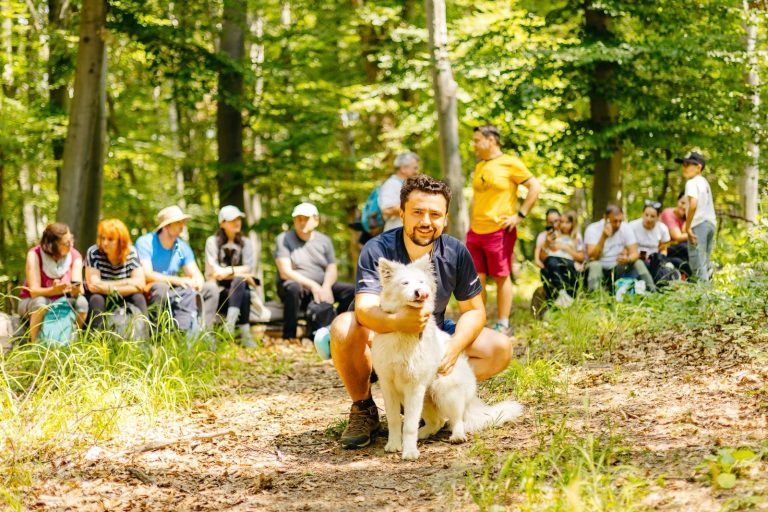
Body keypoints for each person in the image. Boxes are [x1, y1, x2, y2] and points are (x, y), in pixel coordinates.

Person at [328, 175, 513, 450]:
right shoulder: (377, 249)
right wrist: (397, 322)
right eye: (417, 212)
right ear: (402, 213)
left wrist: (453, 349)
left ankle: (430, 396)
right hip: (381, 335)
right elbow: (365, 310)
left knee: (499, 348)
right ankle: (363, 408)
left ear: (445, 218)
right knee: (343, 326)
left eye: (435, 214)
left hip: (431, 335)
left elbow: (475, 311)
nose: (426, 221)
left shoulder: (455, 251)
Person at [467, 124, 541, 335]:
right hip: (475, 231)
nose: (474, 145)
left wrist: (520, 215)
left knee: (501, 276)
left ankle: (503, 323)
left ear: (491, 141)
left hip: (499, 231)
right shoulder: (480, 166)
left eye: (477, 140)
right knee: (476, 278)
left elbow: (534, 186)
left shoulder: (510, 162)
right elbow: (477, 199)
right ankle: (478, 323)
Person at [274, 202, 355, 340]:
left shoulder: (324, 240)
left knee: (353, 291)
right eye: (298, 218)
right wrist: (313, 286)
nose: (302, 222)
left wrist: (326, 287)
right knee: (293, 288)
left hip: (322, 285)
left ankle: (338, 326)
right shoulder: (283, 239)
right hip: (295, 285)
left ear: (316, 220)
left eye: (306, 218)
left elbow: (332, 268)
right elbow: (284, 272)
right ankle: (289, 337)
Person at [136, 206, 216, 333]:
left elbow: (196, 274)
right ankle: (156, 336)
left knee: (211, 288)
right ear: (166, 226)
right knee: (160, 287)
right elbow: (147, 274)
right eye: (178, 222)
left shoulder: (181, 247)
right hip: (154, 289)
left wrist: (197, 283)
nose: (182, 226)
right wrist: (177, 280)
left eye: (183, 222)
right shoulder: (146, 242)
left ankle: (204, 333)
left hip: (177, 290)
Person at [18, 223, 88, 342]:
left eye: (71, 239)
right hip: (33, 302)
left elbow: (79, 288)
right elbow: (34, 292)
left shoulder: (75, 255)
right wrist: (54, 290)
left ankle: (73, 339)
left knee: (82, 303)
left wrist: (74, 290)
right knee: (41, 302)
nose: (71, 244)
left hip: (64, 301)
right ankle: (34, 344)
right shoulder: (34, 254)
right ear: (53, 245)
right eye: (66, 242)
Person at [202, 205, 257, 347]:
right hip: (218, 292)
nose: (237, 222)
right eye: (232, 219)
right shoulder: (212, 242)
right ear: (222, 223)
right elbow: (214, 272)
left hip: (239, 291)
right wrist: (240, 272)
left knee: (242, 285)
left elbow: (249, 268)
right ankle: (243, 333)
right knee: (242, 284)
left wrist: (226, 271)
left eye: (238, 218)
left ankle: (231, 324)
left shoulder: (246, 242)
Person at [84, 219, 148, 330]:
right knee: (96, 299)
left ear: (121, 241)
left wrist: (105, 287)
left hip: (125, 296)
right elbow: (93, 286)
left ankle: (145, 336)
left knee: (138, 298)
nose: (105, 243)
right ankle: (95, 337)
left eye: (110, 239)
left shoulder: (131, 252)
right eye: (103, 238)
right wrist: (128, 282)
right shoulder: (94, 252)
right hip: (101, 296)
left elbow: (140, 285)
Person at [584, 205, 656, 293]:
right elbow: (593, 257)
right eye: (614, 221)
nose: (618, 225)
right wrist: (603, 237)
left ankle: (652, 290)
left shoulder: (625, 227)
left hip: (617, 268)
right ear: (606, 219)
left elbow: (635, 253)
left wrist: (628, 259)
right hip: (599, 268)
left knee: (638, 262)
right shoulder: (592, 229)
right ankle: (594, 295)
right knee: (595, 265)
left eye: (620, 221)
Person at [675, 151, 717, 281]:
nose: (684, 167)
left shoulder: (692, 183)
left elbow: (693, 204)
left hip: (699, 225)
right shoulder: (704, 182)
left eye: (687, 164)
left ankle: (703, 292)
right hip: (710, 224)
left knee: (698, 265)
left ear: (699, 167)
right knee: (705, 264)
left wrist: (688, 227)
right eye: (683, 164)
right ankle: (708, 290)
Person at [540, 210, 584, 307]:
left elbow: (581, 257)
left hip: (568, 264)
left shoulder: (576, 237)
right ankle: (559, 296)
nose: (564, 225)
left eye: (567, 222)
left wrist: (565, 248)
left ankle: (563, 295)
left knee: (552, 263)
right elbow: (543, 257)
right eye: (562, 222)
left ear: (573, 223)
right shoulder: (553, 235)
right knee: (546, 267)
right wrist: (547, 243)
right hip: (553, 263)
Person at [378, 151, 420, 232]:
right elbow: (386, 210)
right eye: (415, 168)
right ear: (403, 168)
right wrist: (416, 204)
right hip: (395, 234)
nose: (416, 171)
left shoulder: (405, 184)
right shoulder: (392, 184)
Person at [660, 192, 689, 262]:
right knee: (686, 247)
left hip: (675, 248)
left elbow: (684, 232)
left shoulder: (685, 218)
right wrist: (694, 235)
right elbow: (677, 237)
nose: (684, 207)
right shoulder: (668, 213)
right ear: (677, 201)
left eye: (687, 205)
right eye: (682, 203)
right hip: (663, 248)